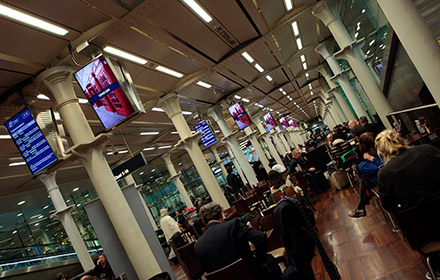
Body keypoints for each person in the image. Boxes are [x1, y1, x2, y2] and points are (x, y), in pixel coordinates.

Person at [194, 202, 281, 280]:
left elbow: (207, 271)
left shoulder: (198, 246)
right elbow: (260, 238)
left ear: (203, 221)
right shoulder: (233, 225)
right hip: (252, 275)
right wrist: (258, 257)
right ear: (221, 214)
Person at [376, 129, 440, 213]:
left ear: (381, 152)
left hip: (420, 219)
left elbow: (389, 206)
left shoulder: (384, 173)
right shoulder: (428, 149)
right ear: (401, 140)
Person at [273, 197, 316, 280]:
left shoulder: (277, 209)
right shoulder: (289, 205)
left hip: (292, 248)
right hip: (301, 244)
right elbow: (310, 221)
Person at [348, 132, 383, 218]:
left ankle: (361, 207)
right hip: (384, 186)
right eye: (374, 148)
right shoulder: (363, 165)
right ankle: (361, 207)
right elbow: (383, 166)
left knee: (362, 182)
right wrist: (372, 158)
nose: (377, 149)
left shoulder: (380, 154)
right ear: (367, 149)